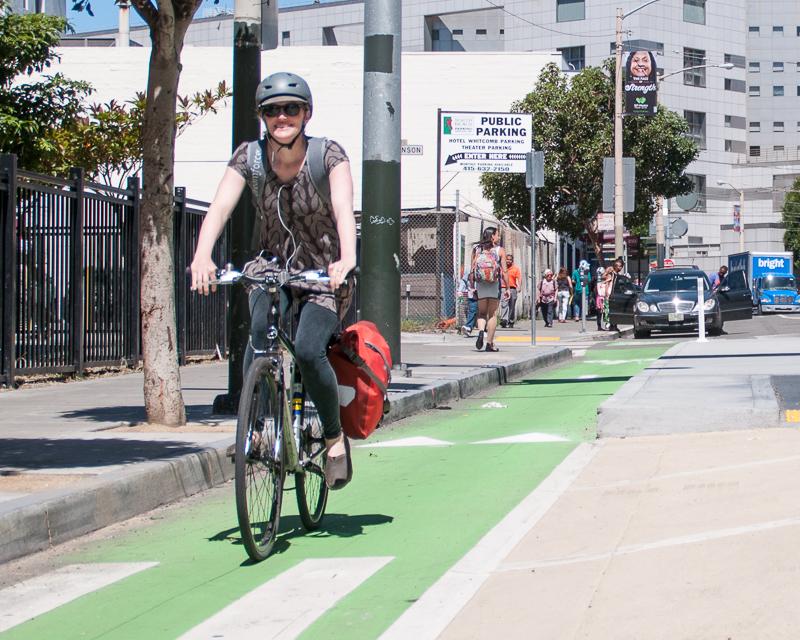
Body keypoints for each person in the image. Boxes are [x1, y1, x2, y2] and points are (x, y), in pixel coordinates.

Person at [190, 72, 357, 491]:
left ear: (306, 113)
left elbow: (342, 209)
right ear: (261, 117)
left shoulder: (328, 155)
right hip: (271, 267)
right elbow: (219, 208)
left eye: (291, 109)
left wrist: (347, 259)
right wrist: (201, 255)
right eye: (272, 110)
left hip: (323, 272)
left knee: (305, 348)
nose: (281, 117)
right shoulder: (249, 157)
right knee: (259, 340)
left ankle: (334, 437)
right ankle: (259, 425)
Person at [470, 227, 507, 352]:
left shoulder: (477, 249)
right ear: (492, 236)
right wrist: (507, 288)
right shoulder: (499, 250)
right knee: (492, 314)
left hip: (480, 284)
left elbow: (472, 269)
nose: (499, 237)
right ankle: (489, 343)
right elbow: (504, 271)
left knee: (481, 313)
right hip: (493, 284)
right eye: (497, 235)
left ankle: (481, 331)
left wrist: (471, 286)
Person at [500, 253, 522, 328]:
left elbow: (519, 278)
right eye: (507, 259)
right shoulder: (502, 268)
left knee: (512, 305)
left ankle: (511, 321)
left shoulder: (515, 269)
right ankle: (504, 320)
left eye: (510, 260)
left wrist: (519, 286)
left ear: (512, 261)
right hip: (504, 288)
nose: (508, 261)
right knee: (504, 304)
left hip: (513, 288)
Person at [458, 271, 478, 337]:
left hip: (470, 295)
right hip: (465, 296)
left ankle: (468, 326)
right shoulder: (467, 273)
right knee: (464, 311)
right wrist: (460, 300)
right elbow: (461, 289)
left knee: (472, 311)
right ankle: (465, 327)